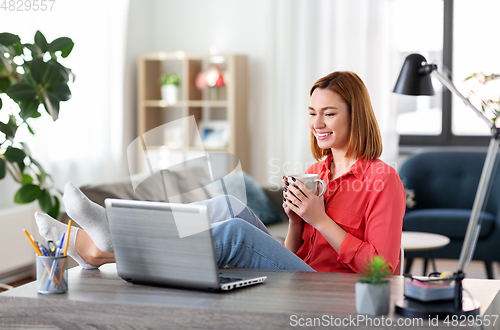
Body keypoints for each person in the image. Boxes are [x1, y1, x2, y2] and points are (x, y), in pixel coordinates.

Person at [35, 71, 405, 274]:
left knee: (236, 233)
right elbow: (297, 255)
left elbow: (383, 269)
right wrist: (296, 222)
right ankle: (109, 238)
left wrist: (320, 220)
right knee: (225, 205)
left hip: (334, 289)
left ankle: (102, 250)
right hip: (301, 274)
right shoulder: (315, 171)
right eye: (312, 113)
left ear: (355, 114)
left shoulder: (383, 179)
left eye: (329, 113)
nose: (317, 123)